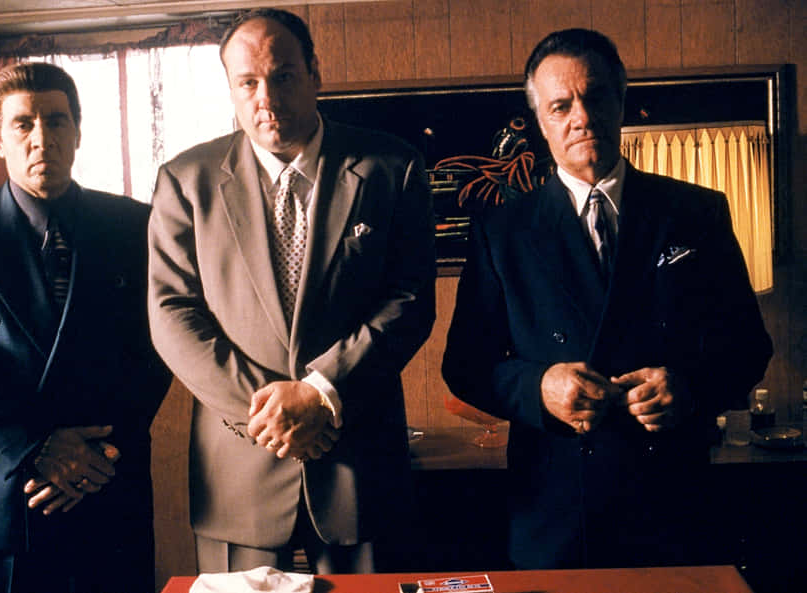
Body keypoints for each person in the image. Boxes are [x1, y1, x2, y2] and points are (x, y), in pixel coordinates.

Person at [442, 29, 772, 570]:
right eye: (561, 105)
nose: (582, 117)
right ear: (541, 121)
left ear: (621, 101)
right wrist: (539, 387)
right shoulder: (501, 231)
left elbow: (748, 347)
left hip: (672, 502)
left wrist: (688, 388)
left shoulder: (696, 213)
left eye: (595, 97)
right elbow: (467, 366)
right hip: (555, 509)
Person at [147, 8, 435, 574]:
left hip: (358, 462)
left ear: (314, 74)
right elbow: (171, 312)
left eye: (282, 76)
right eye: (247, 82)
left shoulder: (390, 167)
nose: (266, 98)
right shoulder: (185, 179)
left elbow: (410, 298)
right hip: (239, 464)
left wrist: (319, 391)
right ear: (230, 87)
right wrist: (271, 413)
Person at [0, 62, 171, 593]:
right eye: (22, 124)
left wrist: (96, 456)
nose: (40, 138)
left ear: (77, 131)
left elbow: (158, 350)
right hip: (1, 495)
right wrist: (36, 448)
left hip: (106, 488)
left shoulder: (134, 224)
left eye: (55, 121)